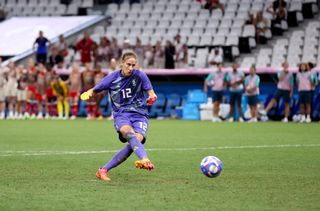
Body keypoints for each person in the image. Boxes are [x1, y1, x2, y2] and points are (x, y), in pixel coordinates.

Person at [80, 51, 157, 181]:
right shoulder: (112, 78)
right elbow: (97, 88)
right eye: (128, 64)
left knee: (135, 141)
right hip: (122, 115)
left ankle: (103, 170)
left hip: (140, 115)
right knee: (128, 133)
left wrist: (152, 98)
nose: (131, 68)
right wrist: (89, 93)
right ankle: (145, 159)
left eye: (133, 65)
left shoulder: (140, 76)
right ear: (122, 63)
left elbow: (152, 93)